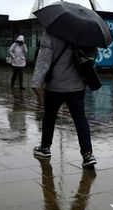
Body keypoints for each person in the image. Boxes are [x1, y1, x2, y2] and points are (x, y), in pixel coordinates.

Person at [31, 31, 97, 168]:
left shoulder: (51, 31)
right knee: (80, 119)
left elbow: (44, 58)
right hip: (77, 86)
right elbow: (92, 56)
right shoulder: (83, 31)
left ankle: (45, 148)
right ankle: (87, 154)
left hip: (55, 86)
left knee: (49, 117)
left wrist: (37, 82)